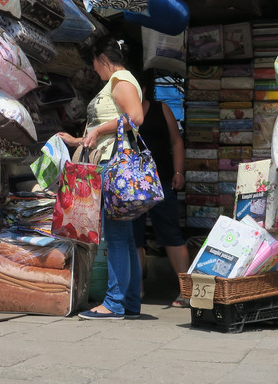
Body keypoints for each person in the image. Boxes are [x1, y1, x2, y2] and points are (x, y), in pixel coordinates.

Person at [57, 37, 145, 321]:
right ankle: (129, 303)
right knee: (125, 238)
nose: (94, 70)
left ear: (101, 58)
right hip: (109, 160)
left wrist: (99, 130)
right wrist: (78, 139)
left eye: (94, 63)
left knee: (117, 238)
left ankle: (115, 303)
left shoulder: (121, 81)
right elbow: (106, 126)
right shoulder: (117, 82)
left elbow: (135, 117)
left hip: (114, 165)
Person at [133, 72, 190, 306]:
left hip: (162, 180)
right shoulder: (121, 115)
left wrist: (179, 172)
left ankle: (187, 290)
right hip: (131, 186)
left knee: (170, 233)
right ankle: (136, 290)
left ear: (144, 89)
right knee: (133, 237)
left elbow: (176, 141)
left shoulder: (161, 108)